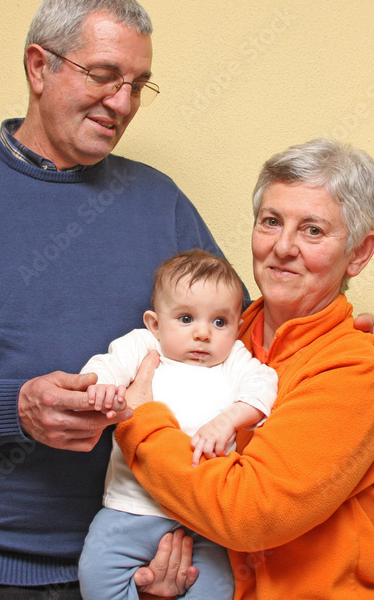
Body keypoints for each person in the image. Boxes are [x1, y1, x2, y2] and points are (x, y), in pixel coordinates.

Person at [0, 0, 374, 597]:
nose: (122, 102)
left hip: (135, 563)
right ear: (40, 66)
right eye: (105, 75)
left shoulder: (159, 203)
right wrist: (13, 408)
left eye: (138, 85)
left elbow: (246, 330)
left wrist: (367, 336)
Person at [116, 138, 374, 598]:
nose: (283, 247)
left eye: (313, 230)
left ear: (359, 252)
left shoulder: (358, 367)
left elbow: (249, 514)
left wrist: (138, 422)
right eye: (271, 222)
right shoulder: (221, 337)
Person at [78, 250, 277, 599]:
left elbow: (264, 387)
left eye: (219, 322)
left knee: (218, 589)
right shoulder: (143, 345)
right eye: (186, 318)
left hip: (203, 520)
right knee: (95, 575)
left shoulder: (234, 360)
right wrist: (102, 388)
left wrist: (229, 420)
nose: (203, 334)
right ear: (155, 324)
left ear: (237, 327)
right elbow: (105, 366)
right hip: (130, 511)